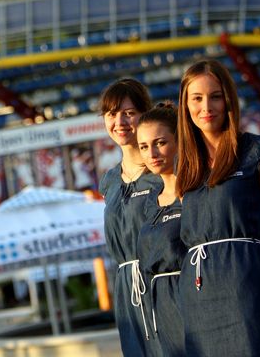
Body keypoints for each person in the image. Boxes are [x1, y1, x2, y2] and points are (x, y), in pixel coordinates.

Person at [175, 59, 260, 356]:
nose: (206, 106)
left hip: (250, 302)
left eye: (215, 96)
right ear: (185, 104)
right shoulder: (185, 168)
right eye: (197, 98)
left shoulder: (259, 152)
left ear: (229, 100)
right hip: (198, 310)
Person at [97, 78, 163, 356]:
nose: (119, 121)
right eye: (112, 114)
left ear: (144, 115)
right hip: (127, 292)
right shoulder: (109, 181)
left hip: (163, 286)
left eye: (129, 112)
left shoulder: (163, 171)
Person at [135, 103, 186, 356]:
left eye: (160, 143)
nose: (152, 153)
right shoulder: (150, 201)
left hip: (193, 304)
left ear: (179, 141)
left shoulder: (195, 193)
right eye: (144, 146)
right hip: (160, 314)